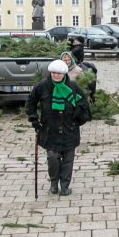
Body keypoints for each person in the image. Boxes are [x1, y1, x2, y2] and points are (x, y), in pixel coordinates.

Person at [26, 59, 91, 196]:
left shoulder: (73, 87)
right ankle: (54, 183)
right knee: (53, 158)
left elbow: (83, 103)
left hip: (69, 129)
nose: (56, 75)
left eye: (59, 73)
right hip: (50, 129)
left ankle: (65, 186)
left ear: (64, 74)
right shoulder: (43, 86)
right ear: (50, 73)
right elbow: (31, 101)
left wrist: (77, 113)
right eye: (53, 73)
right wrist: (34, 119)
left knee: (68, 160)